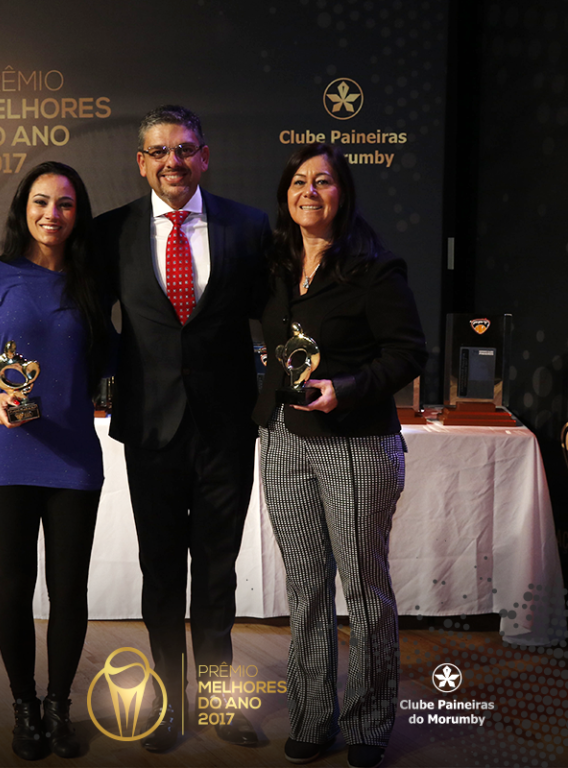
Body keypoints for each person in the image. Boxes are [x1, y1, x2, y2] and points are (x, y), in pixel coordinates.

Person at [95, 105, 271, 752]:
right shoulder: (110, 232)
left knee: (218, 574)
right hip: (150, 430)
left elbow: (281, 318)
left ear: (205, 157)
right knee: (162, 573)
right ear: (141, 163)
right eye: (160, 151)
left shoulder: (248, 227)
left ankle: (221, 703)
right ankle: (167, 704)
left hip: (227, 431)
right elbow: (88, 320)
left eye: (186, 149)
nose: (174, 161)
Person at [253, 143, 427, 768]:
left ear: (343, 193)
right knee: (305, 587)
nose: (310, 191)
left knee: (363, 586)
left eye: (323, 181)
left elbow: (408, 354)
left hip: (354, 443)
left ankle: (369, 723)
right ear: (286, 195)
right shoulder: (275, 265)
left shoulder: (374, 267)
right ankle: (311, 717)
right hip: (283, 439)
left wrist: (346, 389)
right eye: (299, 181)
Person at [0, 161, 108, 761]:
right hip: (6, 458)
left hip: (74, 460)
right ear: (23, 209)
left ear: (78, 214)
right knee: (14, 587)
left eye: (65, 203)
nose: (52, 214)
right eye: (41, 201)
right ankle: (24, 706)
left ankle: (59, 706)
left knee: (70, 591)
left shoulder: (92, 282)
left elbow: (112, 356)